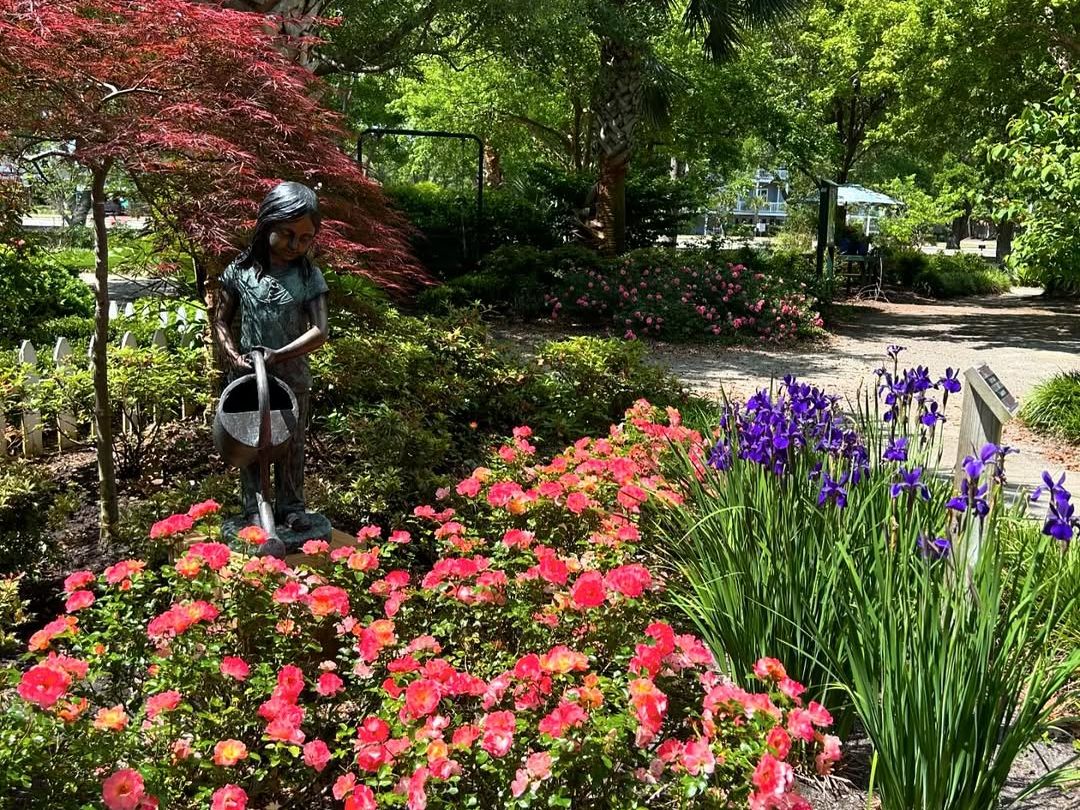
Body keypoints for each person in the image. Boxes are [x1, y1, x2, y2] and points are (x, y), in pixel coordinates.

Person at [212, 181, 329, 533]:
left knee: (291, 445)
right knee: (249, 443)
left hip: (292, 380)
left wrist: (279, 355)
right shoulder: (239, 272)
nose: (295, 245)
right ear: (267, 226)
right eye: (287, 234)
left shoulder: (309, 276)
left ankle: (292, 505)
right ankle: (253, 507)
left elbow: (320, 331)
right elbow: (220, 319)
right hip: (248, 381)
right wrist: (233, 355)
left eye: (305, 239)